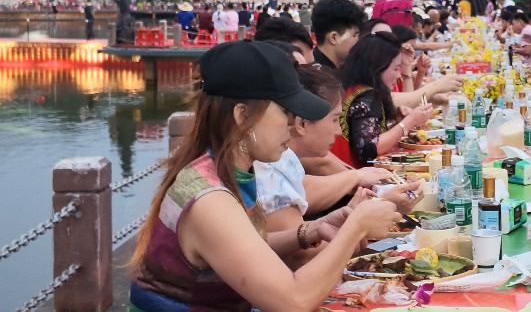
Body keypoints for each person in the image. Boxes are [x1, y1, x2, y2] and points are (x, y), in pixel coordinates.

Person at [129, 40, 400, 311]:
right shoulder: (210, 200)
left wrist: (310, 231)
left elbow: (243, 248)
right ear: (242, 116)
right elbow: (293, 301)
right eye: (285, 111)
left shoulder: (224, 170)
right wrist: (356, 228)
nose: (293, 124)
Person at [255, 64, 419, 232]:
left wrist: (361, 189)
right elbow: (310, 247)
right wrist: (379, 203)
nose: (339, 131)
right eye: (335, 119)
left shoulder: (284, 156)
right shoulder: (265, 165)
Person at [334, 32, 433, 168]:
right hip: (351, 175)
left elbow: (365, 136)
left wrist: (399, 124)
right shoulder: (366, 97)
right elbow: (368, 149)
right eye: (395, 68)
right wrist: (409, 122)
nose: (398, 75)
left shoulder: (351, 87)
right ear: (377, 68)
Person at [310, 0, 365, 70]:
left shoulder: (312, 66)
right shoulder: (316, 75)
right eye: (355, 35)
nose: (358, 40)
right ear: (334, 38)